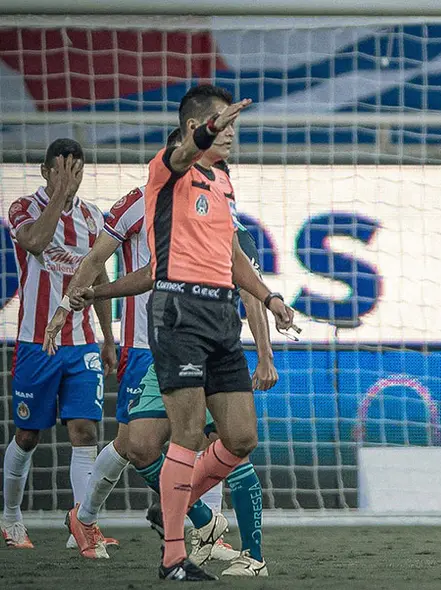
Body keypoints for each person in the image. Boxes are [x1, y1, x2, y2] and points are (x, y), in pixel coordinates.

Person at [46, 130, 276, 575]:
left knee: (213, 440)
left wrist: (265, 348)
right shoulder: (140, 201)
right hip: (146, 345)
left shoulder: (222, 215)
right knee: (136, 445)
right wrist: (67, 307)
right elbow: (103, 261)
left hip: (204, 343)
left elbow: (246, 285)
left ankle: (218, 537)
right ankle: (98, 518)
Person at [140, 84, 293, 581]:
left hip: (221, 316)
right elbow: (186, 151)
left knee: (242, 436)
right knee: (187, 433)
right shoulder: (167, 169)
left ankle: (174, 502)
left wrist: (269, 298)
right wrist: (208, 129)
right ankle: (173, 557)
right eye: (224, 124)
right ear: (196, 127)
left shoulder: (224, 180)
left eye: (233, 126)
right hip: (179, 311)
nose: (231, 134)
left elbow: (232, 255)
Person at [2, 140, 117, 553]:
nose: (72, 180)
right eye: (63, 171)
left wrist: (108, 337)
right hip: (36, 342)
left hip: (81, 342)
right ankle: (11, 519)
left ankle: (82, 526)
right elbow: (35, 241)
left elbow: (99, 279)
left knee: (85, 432)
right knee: (28, 435)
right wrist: (59, 196)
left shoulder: (93, 217)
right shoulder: (23, 208)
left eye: (78, 172)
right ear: (45, 172)